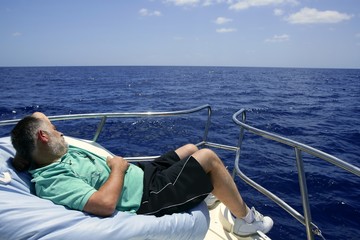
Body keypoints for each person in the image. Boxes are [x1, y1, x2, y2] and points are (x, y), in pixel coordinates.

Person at [11, 112, 273, 237]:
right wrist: (118, 168)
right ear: (43, 137)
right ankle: (245, 220)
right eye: (55, 130)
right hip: (146, 196)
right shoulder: (53, 179)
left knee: (191, 148)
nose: (61, 133)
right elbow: (103, 205)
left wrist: (27, 145)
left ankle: (203, 192)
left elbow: (37, 117)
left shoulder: (50, 153)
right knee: (208, 159)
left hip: (142, 175)